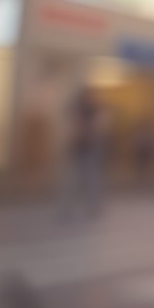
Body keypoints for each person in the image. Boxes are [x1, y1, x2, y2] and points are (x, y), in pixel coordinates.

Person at [56, 86, 108, 222]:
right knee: (78, 180)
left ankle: (89, 206)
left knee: (88, 180)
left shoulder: (90, 110)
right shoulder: (85, 110)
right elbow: (79, 127)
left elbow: (94, 128)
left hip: (87, 149)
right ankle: (69, 208)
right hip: (81, 149)